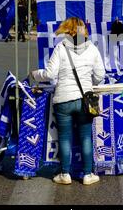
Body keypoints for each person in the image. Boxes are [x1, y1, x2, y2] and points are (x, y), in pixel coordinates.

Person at [30, 17, 106, 186]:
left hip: (63, 99)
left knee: (64, 137)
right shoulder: (92, 48)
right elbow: (100, 75)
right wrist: (89, 82)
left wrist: (36, 74)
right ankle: (87, 174)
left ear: (68, 30)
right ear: (82, 30)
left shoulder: (61, 47)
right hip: (84, 100)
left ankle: (65, 174)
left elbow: (50, 74)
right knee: (85, 136)